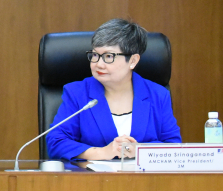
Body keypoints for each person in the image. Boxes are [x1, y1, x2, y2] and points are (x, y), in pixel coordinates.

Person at [46, 18, 181, 160]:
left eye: (108, 56)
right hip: (90, 174)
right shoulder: (77, 93)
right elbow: (56, 142)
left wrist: (140, 150)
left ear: (133, 61)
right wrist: (102, 153)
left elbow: (173, 147)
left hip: (142, 174)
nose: (99, 64)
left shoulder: (158, 95)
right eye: (95, 55)